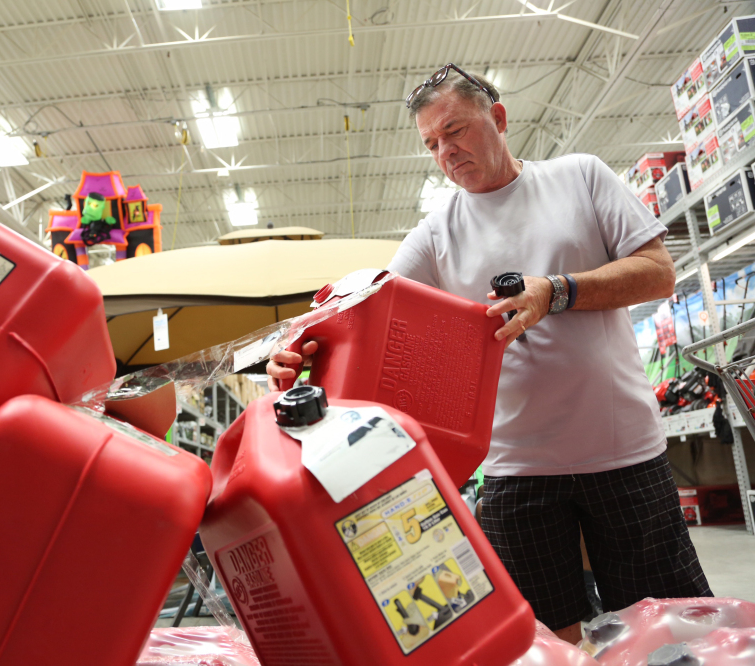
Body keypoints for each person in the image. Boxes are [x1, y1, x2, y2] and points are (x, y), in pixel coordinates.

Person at [267, 64, 711, 644]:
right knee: (542, 641)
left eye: (455, 131)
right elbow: (367, 310)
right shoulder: (437, 232)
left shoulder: (581, 178)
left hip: (622, 452)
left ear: (497, 119)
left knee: (668, 632)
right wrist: (298, 347)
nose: (445, 153)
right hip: (514, 469)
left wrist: (555, 291)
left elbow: (657, 275)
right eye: (431, 144)